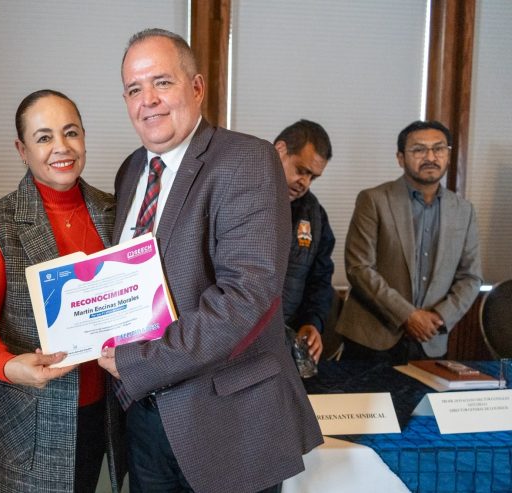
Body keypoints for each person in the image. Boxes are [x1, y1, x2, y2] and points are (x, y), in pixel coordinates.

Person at [98, 28, 322, 493]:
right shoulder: (131, 170)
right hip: (144, 416)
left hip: (226, 420)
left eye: (162, 82)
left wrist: (141, 362)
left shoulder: (246, 159)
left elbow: (246, 296)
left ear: (197, 87)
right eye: (134, 89)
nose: (148, 100)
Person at [0, 89, 123, 493]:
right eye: (44, 137)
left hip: (105, 411)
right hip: (28, 414)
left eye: (71, 132)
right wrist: (10, 366)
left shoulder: (115, 211)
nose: (61, 147)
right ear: (22, 150)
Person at [336, 120, 482, 365]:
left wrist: (439, 317)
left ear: (448, 155)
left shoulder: (464, 211)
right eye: (419, 150)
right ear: (400, 158)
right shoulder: (374, 200)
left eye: (438, 149)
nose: (430, 157)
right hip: (372, 338)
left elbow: (471, 277)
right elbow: (359, 268)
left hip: (430, 338)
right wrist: (408, 316)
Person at [274, 120, 335, 363]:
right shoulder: (234, 194)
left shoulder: (314, 214)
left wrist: (313, 322)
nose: (305, 183)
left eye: (313, 177)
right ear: (280, 150)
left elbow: (320, 278)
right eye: (301, 170)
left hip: (283, 345)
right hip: (229, 344)